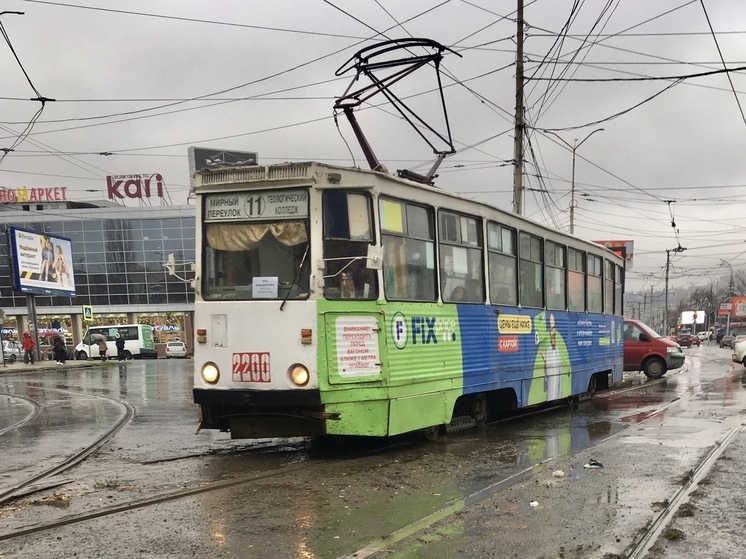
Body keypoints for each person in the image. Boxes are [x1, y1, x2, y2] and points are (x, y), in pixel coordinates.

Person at [540, 313, 562, 400]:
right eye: (551, 328)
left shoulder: (558, 351)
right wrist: (545, 361)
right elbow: (546, 378)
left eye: (554, 328)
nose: (552, 332)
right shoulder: (549, 351)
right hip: (551, 394)